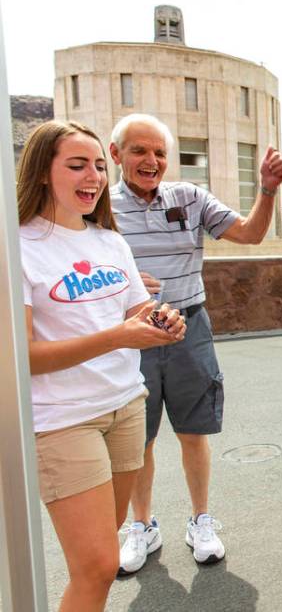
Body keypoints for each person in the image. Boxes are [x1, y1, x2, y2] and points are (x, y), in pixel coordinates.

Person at [109, 114, 282, 574]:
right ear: (116, 155)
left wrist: (267, 189)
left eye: (160, 153)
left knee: (193, 432)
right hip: (130, 336)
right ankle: (142, 526)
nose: (152, 161)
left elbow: (250, 233)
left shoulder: (189, 198)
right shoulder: (99, 207)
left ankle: (200, 521)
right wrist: (123, 284)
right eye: (139, 151)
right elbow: (85, 269)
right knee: (138, 440)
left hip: (190, 328)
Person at [18, 121, 185, 611]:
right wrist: (119, 336)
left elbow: (135, 311)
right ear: (43, 172)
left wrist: (161, 320)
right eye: (75, 165)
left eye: (96, 165)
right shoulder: (19, 248)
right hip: (63, 422)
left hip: (125, 406)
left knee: (102, 554)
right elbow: (22, 356)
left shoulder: (109, 242)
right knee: (95, 566)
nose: (91, 176)